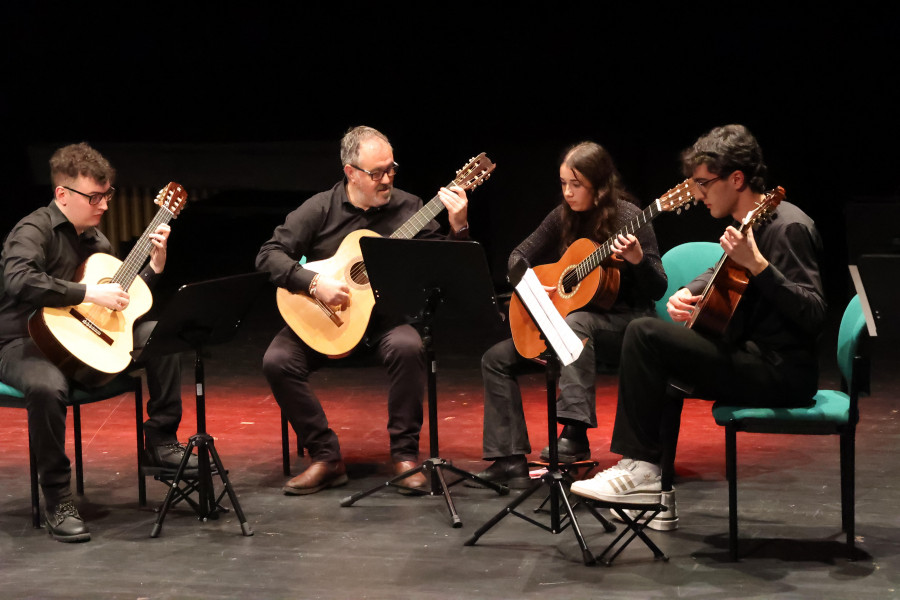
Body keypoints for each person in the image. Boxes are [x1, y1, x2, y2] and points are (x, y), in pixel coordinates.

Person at [570, 124, 826, 531]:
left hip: (782, 371)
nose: (700, 193)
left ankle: (643, 474)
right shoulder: (749, 225)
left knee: (643, 332)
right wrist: (685, 293)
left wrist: (760, 266)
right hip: (749, 356)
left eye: (706, 183)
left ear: (737, 179)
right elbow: (716, 270)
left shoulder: (787, 226)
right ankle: (654, 488)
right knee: (663, 358)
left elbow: (814, 313)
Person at [257, 125, 470, 496]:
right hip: (326, 318)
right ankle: (326, 457)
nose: (387, 179)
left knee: (408, 347)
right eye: (377, 172)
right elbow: (268, 255)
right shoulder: (320, 208)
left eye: (391, 169)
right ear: (351, 172)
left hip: (386, 323)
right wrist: (313, 282)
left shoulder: (411, 208)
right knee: (277, 361)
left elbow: (444, 267)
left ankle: (405, 457)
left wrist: (459, 227)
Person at [0, 142, 193, 543]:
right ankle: (57, 498)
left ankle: (161, 438)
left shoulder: (97, 243)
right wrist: (86, 293)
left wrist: (154, 267)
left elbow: (123, 301)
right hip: (22, 341)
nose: (104, 204)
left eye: (107, 195)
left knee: (162, 334)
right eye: (94, 197)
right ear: (63, 195)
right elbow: (19, 281)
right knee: (46, 385)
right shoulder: (32, 230)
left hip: (82, 340)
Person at [470, 141, 667, 489]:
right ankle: (509, 461)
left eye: (576, 184)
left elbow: (657, 287)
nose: (568, 192)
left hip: (625, 325)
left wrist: (637, 261)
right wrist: (533, 287)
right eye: (563, 183)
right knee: (495, 359)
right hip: (570, 327)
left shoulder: (629, 217)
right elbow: (517, 257)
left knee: (578, 323)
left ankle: (574, 433)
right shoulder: (563, 214)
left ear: (599, 185)